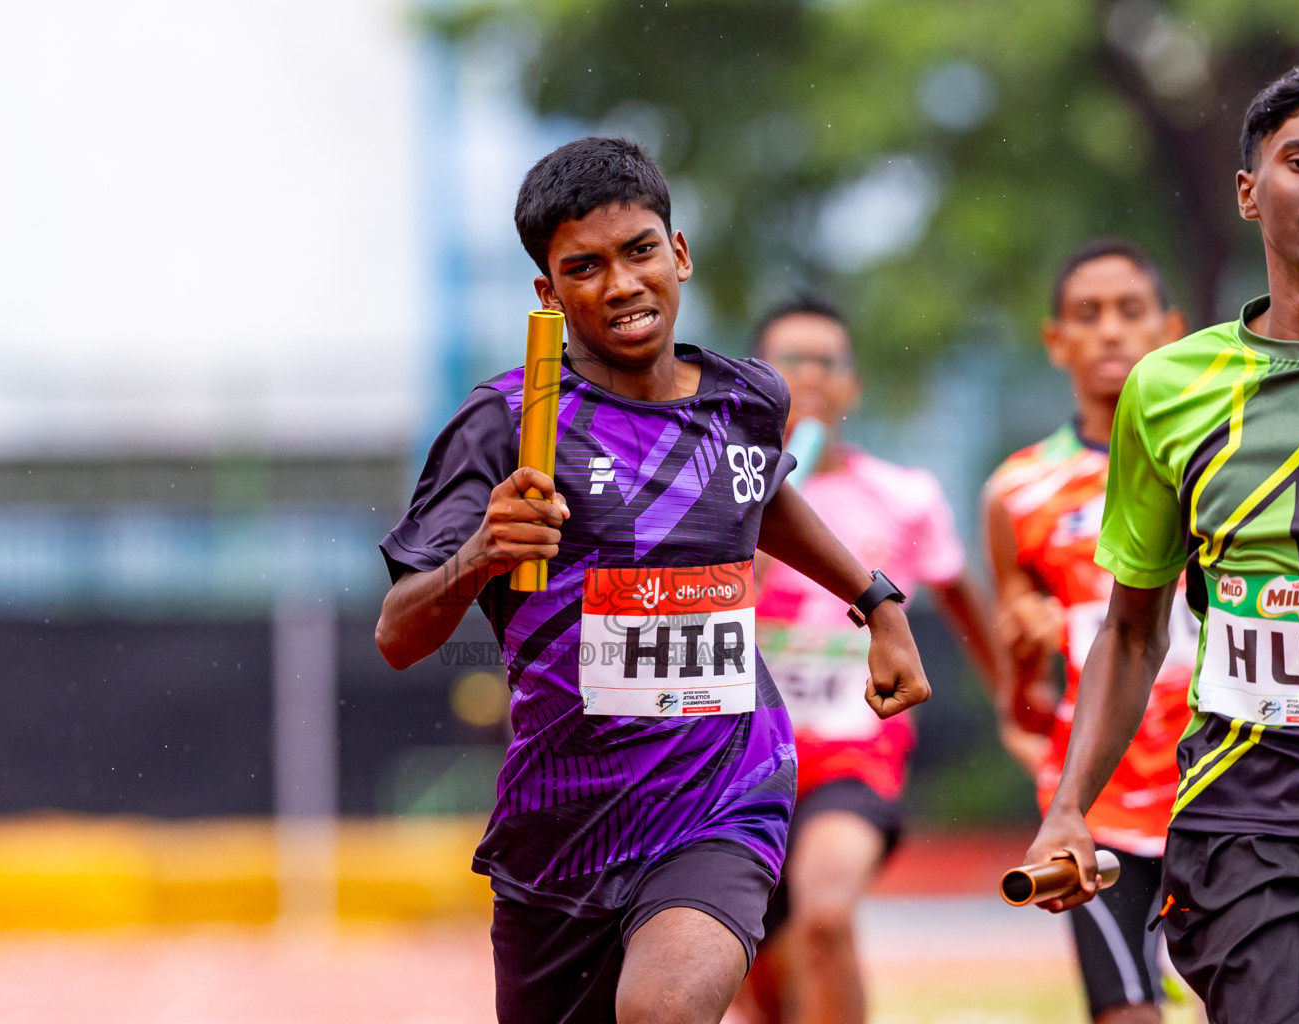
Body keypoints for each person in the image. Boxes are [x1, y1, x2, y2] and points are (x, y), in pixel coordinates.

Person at [375, 137, 931, 1024]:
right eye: (584, 267)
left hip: (724, 796)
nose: (622, 284)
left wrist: (875, 598)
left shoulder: (747, 401)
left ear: (679, 253)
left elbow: (761, 494)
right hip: (562, 830)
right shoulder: (505, 423)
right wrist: (479, 553)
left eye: (639, 251)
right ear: (548, 293)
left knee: (662, 1013)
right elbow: (399, 636)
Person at [1024, 57, 1299, 1024]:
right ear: (1250, 192)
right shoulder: (1170, 389)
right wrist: (1070, 807)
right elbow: (1133, 632)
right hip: (1251, 826)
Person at [732, 296, 1011, 1024]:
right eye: (790, 361)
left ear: (852, 384)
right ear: (755, 377)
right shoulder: (715, 497)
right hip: (736, 764)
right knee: (755, 963)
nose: (811, 376)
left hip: (854, 756)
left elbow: (964, 601)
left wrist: (1014, 703)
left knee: (825, 918)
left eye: (829, 362)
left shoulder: (903, 496)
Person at [985, 239, 1195, 1024]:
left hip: (1225, 788)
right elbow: (1023, 706)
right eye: (1087, 313)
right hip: (1100, 805)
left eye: (1130, 311)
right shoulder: (1017, 492)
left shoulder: (1221, 463)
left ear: (1170, 329)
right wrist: (1022, 652)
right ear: (1055, 339)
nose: (1109, 330)